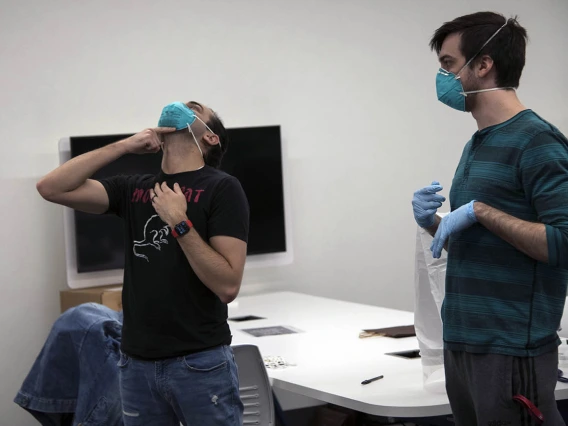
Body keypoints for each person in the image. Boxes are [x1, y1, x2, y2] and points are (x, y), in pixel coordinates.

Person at [36, 100, 249, 425]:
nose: (182, 105)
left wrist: (179, 221)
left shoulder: (222, 188)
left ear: (210, 137)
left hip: (199, 363)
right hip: (135, 365)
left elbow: (227, 285)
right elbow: (50, 187)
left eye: (195, 108)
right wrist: (125, 145)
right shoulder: (134, 189)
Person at [412, 11, 568, 426]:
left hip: (511, 347)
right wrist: (435, 224)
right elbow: (490, 239)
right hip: (464, 341)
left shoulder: (537, 141)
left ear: (483, 65)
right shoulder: (479, 142)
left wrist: (480, 211)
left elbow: (563, 242)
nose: (442, 76)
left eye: (448, 64)